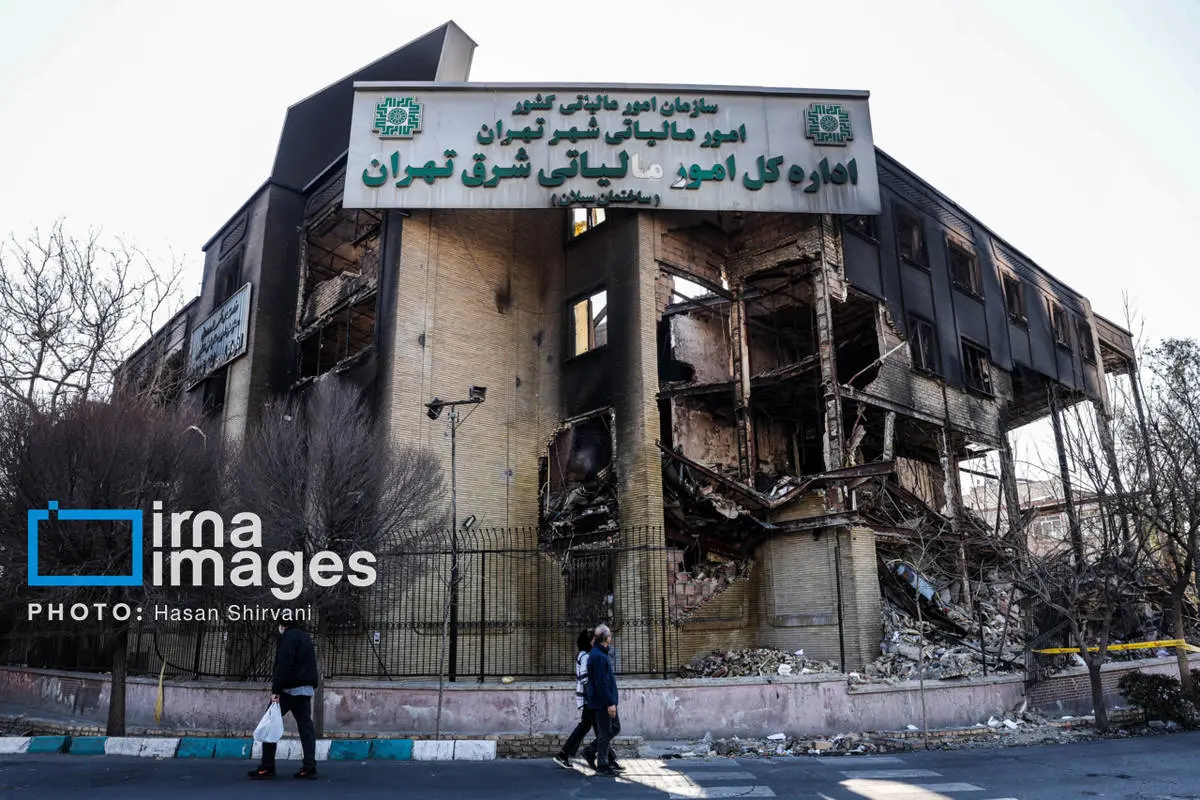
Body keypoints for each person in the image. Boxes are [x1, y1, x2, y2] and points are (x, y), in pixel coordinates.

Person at [248, 620, 320, 780]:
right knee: (306, 727)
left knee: (270, 722)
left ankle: (267, 766)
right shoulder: (305, 637)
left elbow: (284, 664)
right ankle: (309, 767)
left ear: (281, 625)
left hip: (289, 690)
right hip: (305, 689)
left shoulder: (287, 638)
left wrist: (276, 690)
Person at [583, 624, 623, 776]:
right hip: (603, 703)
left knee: (614, 728)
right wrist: (609, 703)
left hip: (604, 701)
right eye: (610, 635)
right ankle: (602, 765)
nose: (611, 637)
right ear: (606, 638)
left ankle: (590, 751)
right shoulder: (599, 656)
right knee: (605, 733)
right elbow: (601, 683)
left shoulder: (600, 653)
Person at [554, 629, 597, 769]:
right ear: (589, 641)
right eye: (594, 639)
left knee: (588, 727)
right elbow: (584, 677)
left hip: (588, 698)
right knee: (601, 730)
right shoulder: (585, 656)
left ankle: (564, 754)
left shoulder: (584, 654)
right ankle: (565, 754)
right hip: (589, 698)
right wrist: (595, 692)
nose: (596, 641)